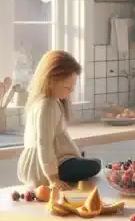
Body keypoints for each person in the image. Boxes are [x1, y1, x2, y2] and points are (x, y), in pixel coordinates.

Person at [17, 50, 101, 189]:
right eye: (67, 87)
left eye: (72, 88)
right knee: (96, 164)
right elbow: (44, 144)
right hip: (46, 170)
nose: (70, 92)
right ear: (51, 80)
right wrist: (53, 178)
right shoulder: (48, 105)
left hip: (33, 166)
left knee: (87, 160)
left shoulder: (38, 101)